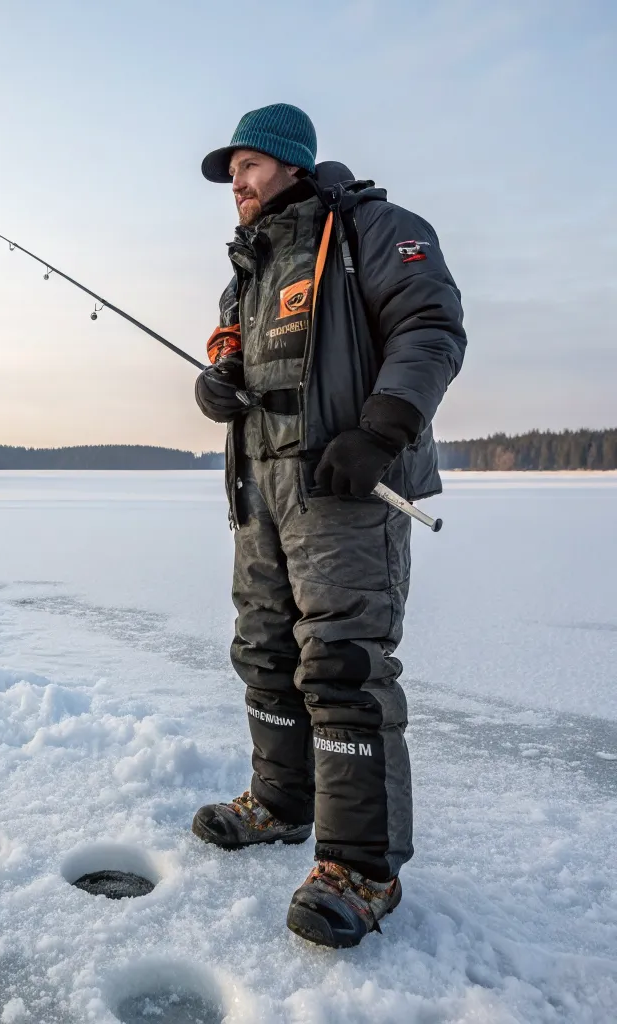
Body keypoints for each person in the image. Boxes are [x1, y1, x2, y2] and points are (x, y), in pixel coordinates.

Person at [191, 103, 466, 948]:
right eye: (230, 172)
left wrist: (380, 431)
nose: (234, 183)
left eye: (245, 166)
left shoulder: (373, 230)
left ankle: (362, 868)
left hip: (344, 490)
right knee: (267, 653)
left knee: (344, 664)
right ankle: (279, 803)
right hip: (262, 492)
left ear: (289, 162)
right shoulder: (250, 267)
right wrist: (216, 386)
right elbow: (229, 353)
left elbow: (430, 326)